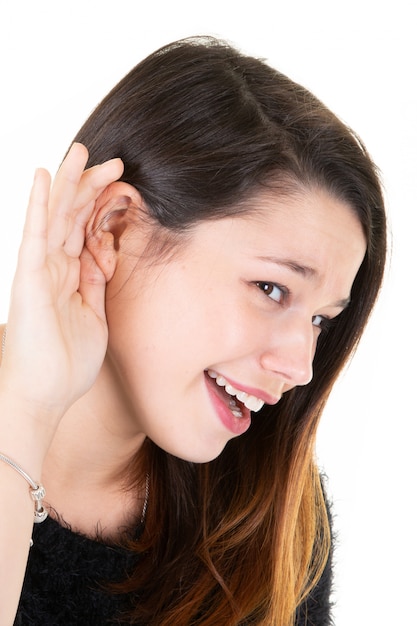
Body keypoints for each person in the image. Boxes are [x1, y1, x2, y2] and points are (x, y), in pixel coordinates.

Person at [0, 36, 386, 626]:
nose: (302, 366)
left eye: (319, 320)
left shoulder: (272, 516)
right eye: (272, 289)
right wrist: (26, 408)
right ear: (115, 227)